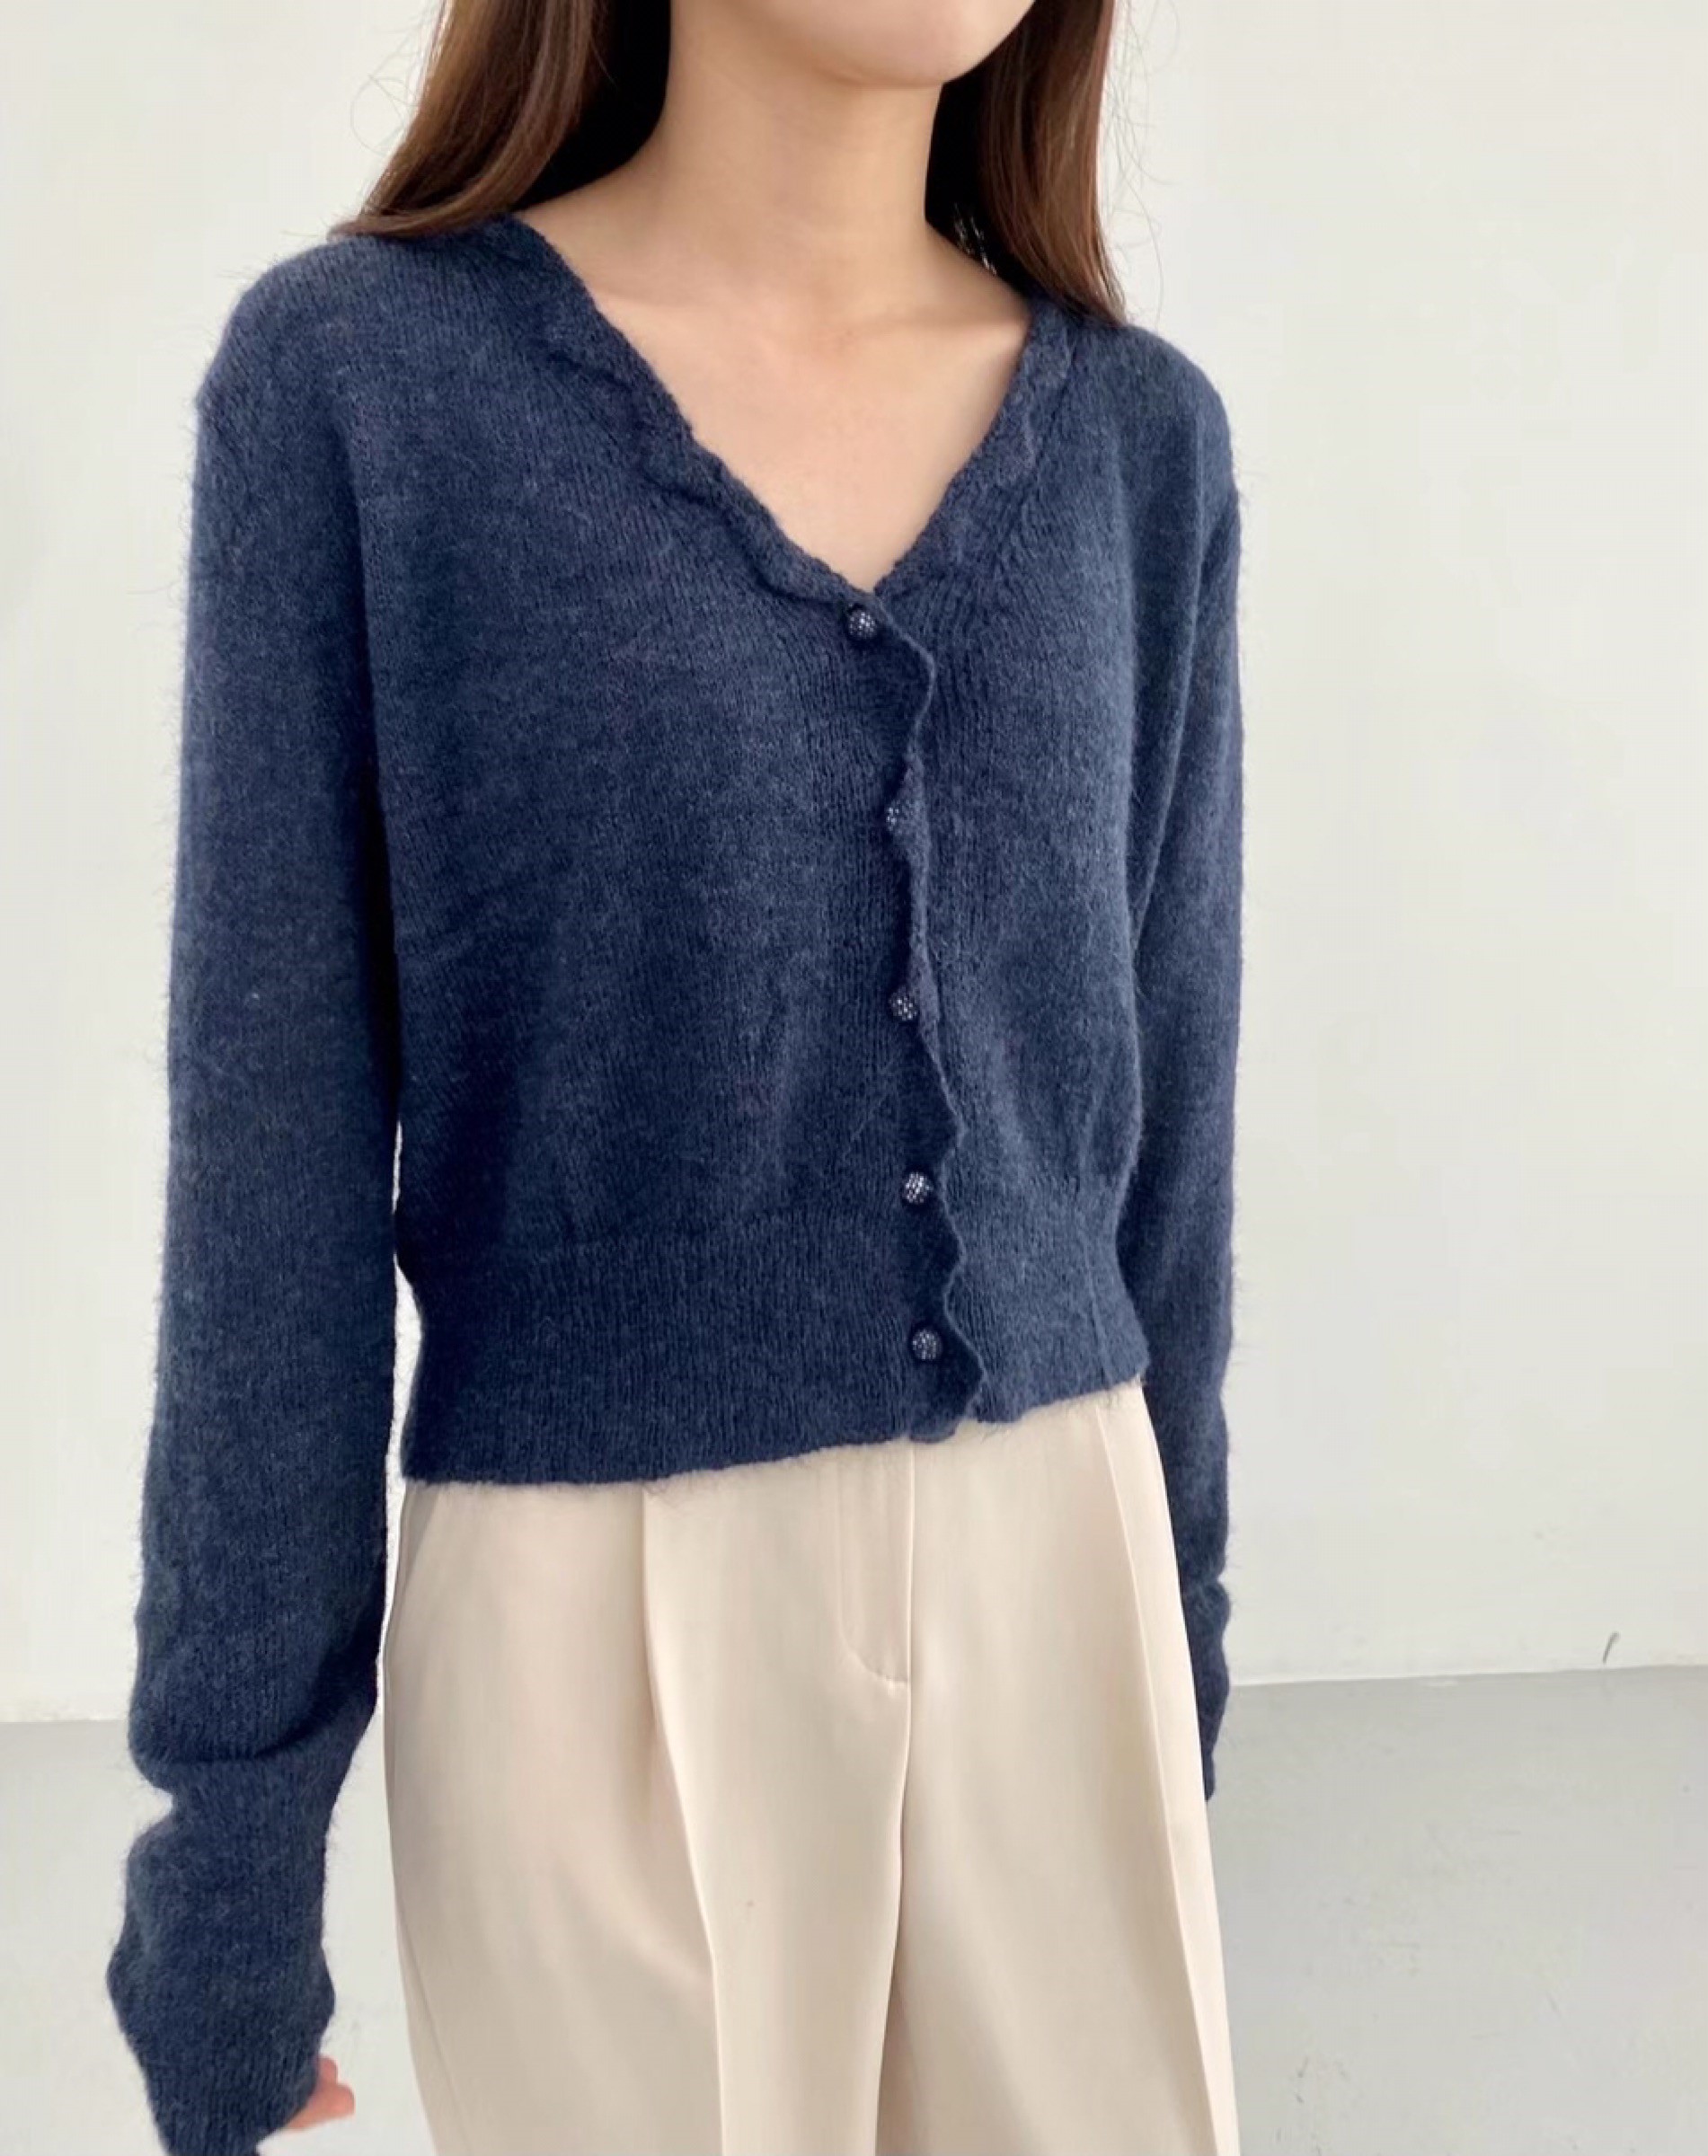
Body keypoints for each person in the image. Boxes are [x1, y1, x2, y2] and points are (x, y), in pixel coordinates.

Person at [104, 0, 1248, 2151]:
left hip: (1058, 1593)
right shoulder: (366, 387)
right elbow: (267, 1172)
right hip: (591, 1626)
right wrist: (229, 1872)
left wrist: (1166, 1663)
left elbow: (1160, 1154)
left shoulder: (1138, 445)